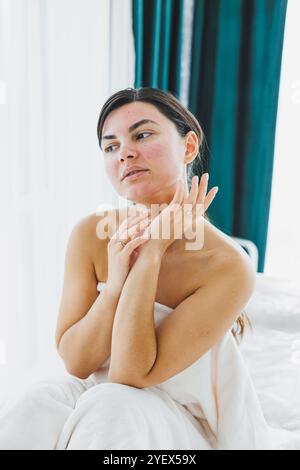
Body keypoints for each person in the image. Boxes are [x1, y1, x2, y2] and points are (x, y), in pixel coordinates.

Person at [0, 87, 273, 450]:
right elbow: (77, 362)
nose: (125, 153)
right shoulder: (90, 235)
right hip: (98, 388)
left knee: (111, 406)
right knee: (37, 406)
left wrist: (152, 253)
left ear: (188, 147)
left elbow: (130, 375)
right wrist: (113, 286)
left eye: (142, 135)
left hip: (182, 418)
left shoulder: (228, 265)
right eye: (110, 146)